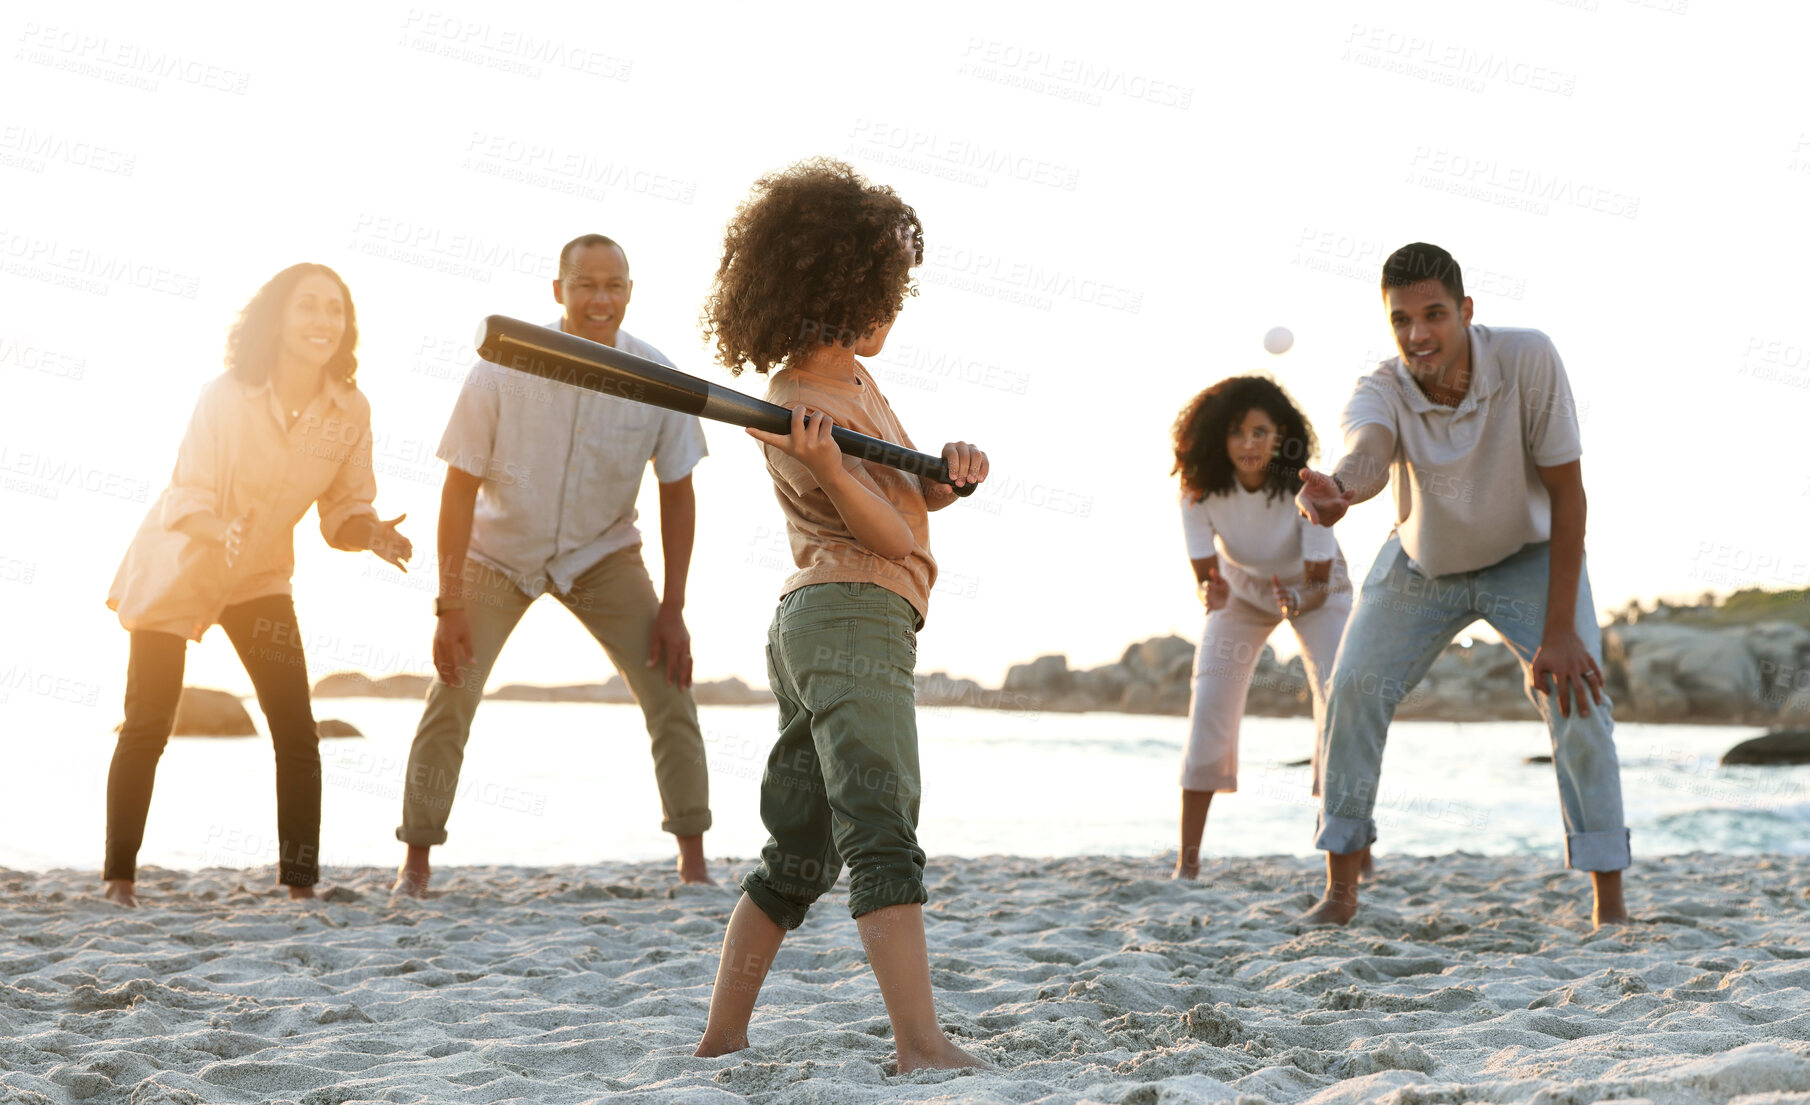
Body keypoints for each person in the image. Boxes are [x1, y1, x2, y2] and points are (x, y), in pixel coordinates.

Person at [691, 159, 988, 1071]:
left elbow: (908, 503)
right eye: (889, 287)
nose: (897, 303)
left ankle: (722, 1038)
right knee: (882, 825)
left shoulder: (855, 381)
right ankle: (919, 1043)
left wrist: (947, 472)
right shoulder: (795, 404)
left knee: (801, 852)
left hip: (827, 622)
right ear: (841, 287)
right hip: (852, 616)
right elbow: (887, 536)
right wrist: (830, 470)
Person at [1297, 242, 1629, 929]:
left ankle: (1609, 903)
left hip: (1527, 555)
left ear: (1466, 311)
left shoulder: (1527, 359)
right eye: (1401, 320)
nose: (1418, 334)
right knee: (1352, 687)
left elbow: (1570, 495)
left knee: (1579, 697)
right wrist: (1340, 491)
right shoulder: (1381, 386)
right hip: (1424, 562)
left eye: (1434, 314)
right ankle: (1341, 888)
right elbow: (1368, 453)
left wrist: (1562, 632)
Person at [392, 234, 713, 894]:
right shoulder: (501, 367)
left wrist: (675, 608)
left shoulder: (659, 376)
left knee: (670, 686)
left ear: (630, 291)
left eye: (614, 284)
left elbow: (677, 489)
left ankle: (695, 862)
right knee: (453, 689)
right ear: (558, 290)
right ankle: (416, 865)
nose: (600, 298)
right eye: (586, 284)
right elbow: (457, 489)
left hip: (603, 550)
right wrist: (448, 603)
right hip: (500, 550)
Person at [104, 263, 412, 907]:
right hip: (176, 567)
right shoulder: (225, 394)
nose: (323, 320)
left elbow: (342, 513)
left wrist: (370, 533)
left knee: (295, 727)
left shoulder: (350, 409)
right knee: (148, 725)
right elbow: (186, 493)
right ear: (277, 318)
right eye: (308, 306)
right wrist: (224, 533)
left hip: (260, 577)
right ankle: (119, 882)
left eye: (335, 308)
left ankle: (299, 888)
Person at [1170, 376, 1353, 880]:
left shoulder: (1306, 488)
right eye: (1235, 433)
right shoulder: (1199, 490)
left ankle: (1352, 845)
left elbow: (1317, 584)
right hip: (1243, 591)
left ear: (1280, 436)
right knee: (1210, 699)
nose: (1248, 444)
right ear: (1216, 439)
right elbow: (1208, 579)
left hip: (1318, 591)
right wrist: (1212, 592)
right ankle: (1187, 864)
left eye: (1259, 432)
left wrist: (1298, 598)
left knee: (1338, 698)